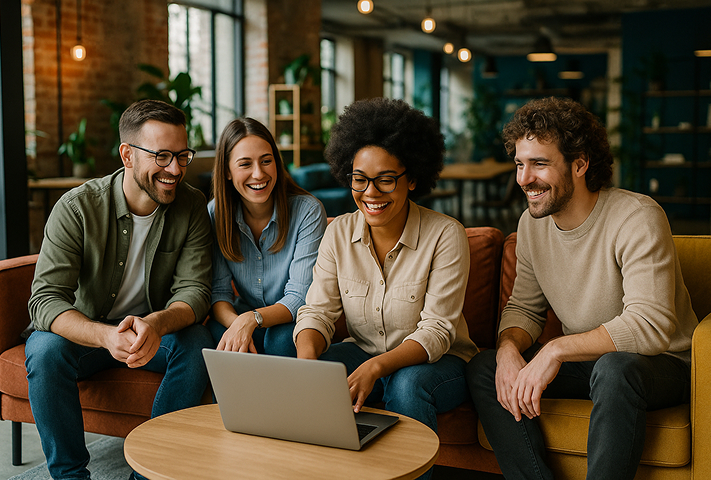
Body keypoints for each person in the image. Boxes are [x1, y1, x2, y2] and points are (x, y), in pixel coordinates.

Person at [466, 96, 698, 480]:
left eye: (540, 164)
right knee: (483, 366)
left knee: (614, 369)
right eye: (520, 164)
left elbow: (651, 326)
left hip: (660, 365)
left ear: (579, 163)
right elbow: (524, 308)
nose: (524, 179)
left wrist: (555, 349)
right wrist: (508, 349)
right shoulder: (531, 225)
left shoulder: (637, 217)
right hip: (590, 364)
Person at [26, 99, 215, 480]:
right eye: (161, 156)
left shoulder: (192, 206)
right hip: (89, 334)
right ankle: (70, 476)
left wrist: (157, 324)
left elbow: (195, 291)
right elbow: (45, 300)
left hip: (150, 334)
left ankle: (148, 473)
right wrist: (105, 335)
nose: (175, 169)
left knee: (196, 342)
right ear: (127, 155)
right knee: (44, 351)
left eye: (182, 155)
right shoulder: (77, 208)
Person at [294, 97, 478, 479]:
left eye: (386, 179)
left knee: (407, 386)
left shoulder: (445, 234)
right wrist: (306, 365)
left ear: (412, 179)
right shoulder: (338, 233)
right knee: (311, 376)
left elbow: (437, 331)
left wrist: (376, 367)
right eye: (359, 179)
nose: (371, 192)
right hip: (364, 354)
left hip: (437, 365)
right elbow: (318, 312)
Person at [206, 117, 326, 356]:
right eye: (245, 164)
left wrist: (252, 320)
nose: (258, 174)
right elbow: (218, 292)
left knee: (282, 339)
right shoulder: (215, 213)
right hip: (242, 316)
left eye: (266, 161)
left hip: (289, 319)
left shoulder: (307, 211)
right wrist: (238, 326)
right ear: (227, 171)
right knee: (216, 335)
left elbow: (299, 296)